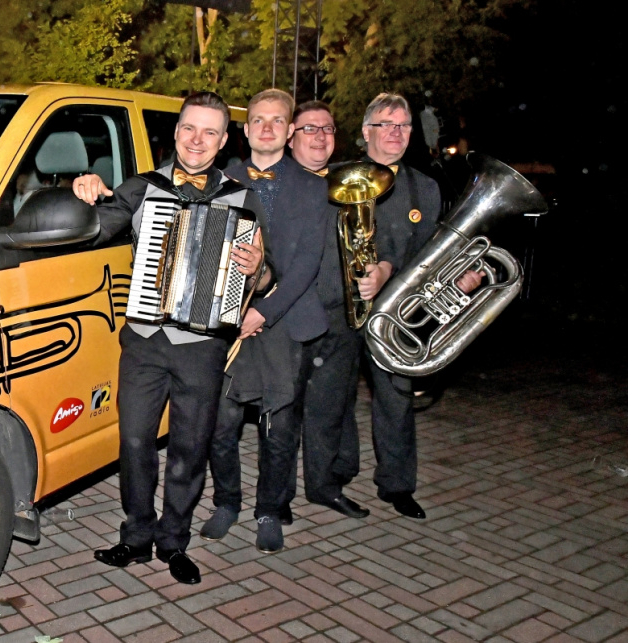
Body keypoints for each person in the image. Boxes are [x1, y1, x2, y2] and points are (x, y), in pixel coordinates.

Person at [71, 92, 266, 584]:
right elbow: (94, 229)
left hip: (203, 346)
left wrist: (257, 269)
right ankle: (136, 536)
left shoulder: (242, 198)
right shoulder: (143, 187)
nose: (197, 140)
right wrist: (83, 191)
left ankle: (174, 541)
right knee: (135, 441)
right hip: (145, 340)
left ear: (223, 141)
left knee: (189, 448)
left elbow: (264, 276)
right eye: (189, 128)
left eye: (209, 132)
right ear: (176, 132)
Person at [311, 93, 481, 521]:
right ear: (365, 132)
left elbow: (429, 256)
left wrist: (455, 278)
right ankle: (337, 471)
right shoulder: (333, 177)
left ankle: (398, 485)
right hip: (339, 308)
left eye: (403, 125)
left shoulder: (424, 187)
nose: (395, 132)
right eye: (385, 124)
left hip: (396, 314)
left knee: (396, 399)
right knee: (334, 397)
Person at [200, 89, 328, 553]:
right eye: (258, 120)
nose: (267, 128)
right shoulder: (220, 180)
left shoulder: (315, 187)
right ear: (246, 128)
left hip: (286, 319)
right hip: (229, 321)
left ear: (290, 130)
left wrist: (263, 311)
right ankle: (226, 502)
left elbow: (308, 265)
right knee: (221, 423)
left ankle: (269, 510)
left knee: (279, 428)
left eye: (277, 121)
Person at [285, 101, 374, 520]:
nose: (320, 136)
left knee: (329, 407)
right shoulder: (278, 182)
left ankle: (323, 487)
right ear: (291, 136)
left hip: (339, 314)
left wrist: (376, 270)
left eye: (328, 129)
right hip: (290, 313)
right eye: (310, 129)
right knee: (283, 412)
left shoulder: (350, 185)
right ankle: (276, 499)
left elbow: (367, 245)